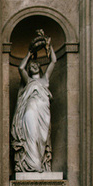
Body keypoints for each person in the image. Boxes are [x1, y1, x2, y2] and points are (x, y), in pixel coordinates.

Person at [10, 41, 57, 173]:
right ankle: (32, 163)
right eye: (31, 65)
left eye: (36, 64)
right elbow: (20, 68)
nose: (34, 66)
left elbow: (53, 61)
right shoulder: (28, 81)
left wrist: (49, 45)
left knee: (41, 137)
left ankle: (39, 161)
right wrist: (29, 54)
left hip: (43, 112)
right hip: (31, 108)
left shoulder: (45, 79)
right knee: (30, 133)